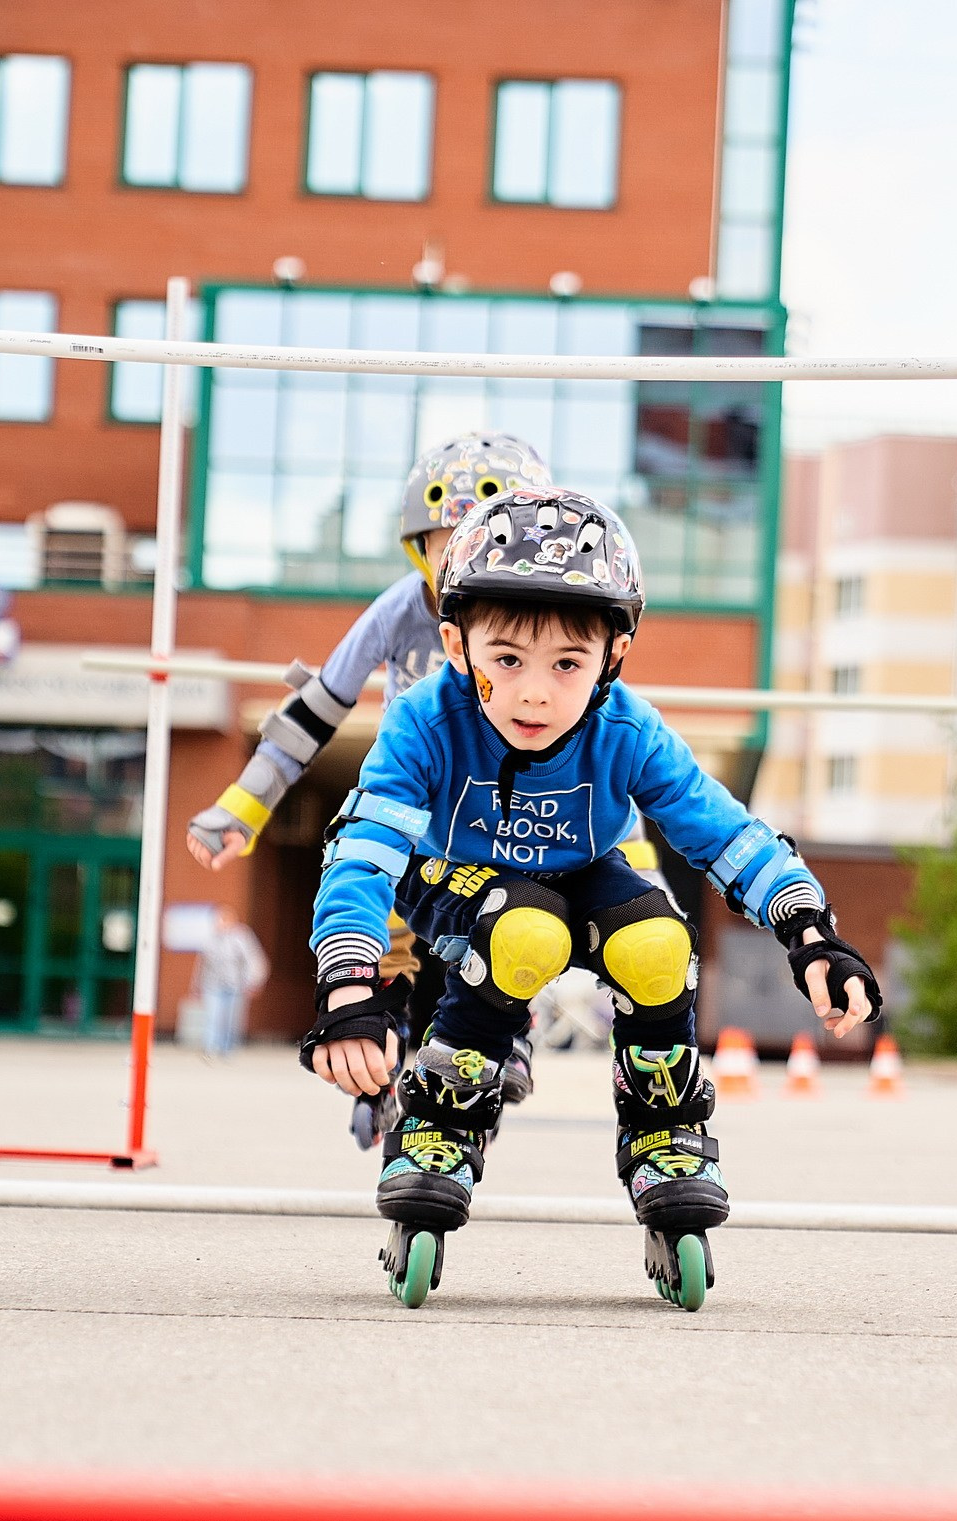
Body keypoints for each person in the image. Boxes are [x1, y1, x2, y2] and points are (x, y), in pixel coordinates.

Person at [300, 485, 882, 1312]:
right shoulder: (423, 722)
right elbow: (362, 853)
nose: (536, 693)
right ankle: (441, 1114)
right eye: (508, 660)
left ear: (615, 655)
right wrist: (349, 986)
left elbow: (724, 831)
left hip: (580, 870)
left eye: (567, 664)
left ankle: (663, 1131)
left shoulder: (627, 727)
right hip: (449, 876)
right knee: (523, 929)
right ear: (456, 646)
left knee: (659, 942)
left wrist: (812, 933)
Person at [183, 433, 551, 1134]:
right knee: (382, 931)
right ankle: (380, 1055)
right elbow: (317, 707)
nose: (464, 567)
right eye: (449, 547)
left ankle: (508, 1032)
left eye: (486, 545)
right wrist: (242, 804)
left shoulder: (549, 620)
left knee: (509, 924)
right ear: (421, 547)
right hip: (408, 803)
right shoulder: (401, 608)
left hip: (499, 813)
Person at [191, 903, 269, 1059]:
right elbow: (202, 963)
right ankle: (211, 1047)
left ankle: (227, 1049)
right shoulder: (211, 938)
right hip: (213, 984)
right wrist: (196, 985)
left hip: (236, 985)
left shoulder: (242, 937)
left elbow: (254, 960)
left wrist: (254, 981)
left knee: (232, 1018)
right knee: (213, 1016)